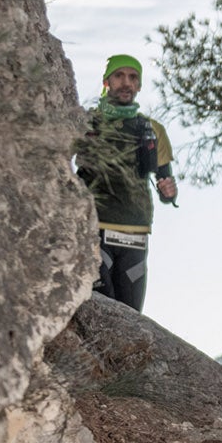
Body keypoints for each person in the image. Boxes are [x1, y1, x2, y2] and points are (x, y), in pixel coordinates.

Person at [77, 55, 177, 311]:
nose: (126, 83)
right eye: (119, 76)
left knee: (131, 317)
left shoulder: (152, 129)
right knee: (100, 311)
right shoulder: (87, 123)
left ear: (139, 86)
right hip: (94, 228)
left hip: (136, 233)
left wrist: (169, 191)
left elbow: (164, 178)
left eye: (133, 78)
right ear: (106, 81)